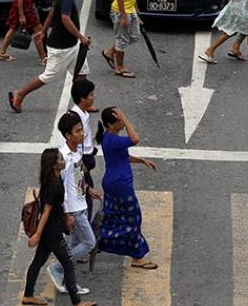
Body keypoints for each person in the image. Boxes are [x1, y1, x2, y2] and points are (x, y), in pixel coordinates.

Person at [9, 0, 91, 113]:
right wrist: (81, 37)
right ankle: (20, 94)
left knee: (82, 73)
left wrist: (43, 30)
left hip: (72, 46)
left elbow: (52, 14)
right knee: (48, 75)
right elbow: (65, 19)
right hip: (61, 47)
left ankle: (82, 104)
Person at [22, 149, 97, 306]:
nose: (64, 161)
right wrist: (37, 234)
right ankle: (77, 302)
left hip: (52, 230)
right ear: (54, 165)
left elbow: (58, 203)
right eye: (61, 160)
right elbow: (46, 212)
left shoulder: (54, 179)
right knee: (68, 264)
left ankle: (28, 295)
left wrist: (67, 216)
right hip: (52, 232)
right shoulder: (54, 184)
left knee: (38, 261)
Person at [95, 107, 159, 269]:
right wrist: (126, 119)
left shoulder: (109, 138)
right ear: (110, 124)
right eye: (119, 120)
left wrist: (142, 160)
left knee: (111, 215)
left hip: (113, 183)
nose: (123, 122)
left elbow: (123, 157)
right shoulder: (113, 140)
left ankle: (94, 243)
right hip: (120, 184)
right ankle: (137, 257)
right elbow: (135, 139)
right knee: (133, 217)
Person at [47, 113, 101, 294]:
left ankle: (69, 283)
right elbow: (60, 190)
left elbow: (79, 177)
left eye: (82, 130)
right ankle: (58, 269)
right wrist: (67, 215)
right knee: (89, 242)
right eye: (78, 131)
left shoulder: (77, 151)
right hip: (74, 210)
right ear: (67, 135)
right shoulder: (63, 157)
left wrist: (88, 190)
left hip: (81, 204)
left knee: (72, 247)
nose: (82, 134)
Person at [69, 79, 100, 227]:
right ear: (82, 98)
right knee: (84, 198)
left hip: (85, 159)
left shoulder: (83, 113)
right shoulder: (76, 118)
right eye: (91, 95)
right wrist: (80, 166)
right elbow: (74, 146)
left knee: (85, 196)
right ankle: (83, 233)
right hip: (80, 163)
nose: (93, 97)